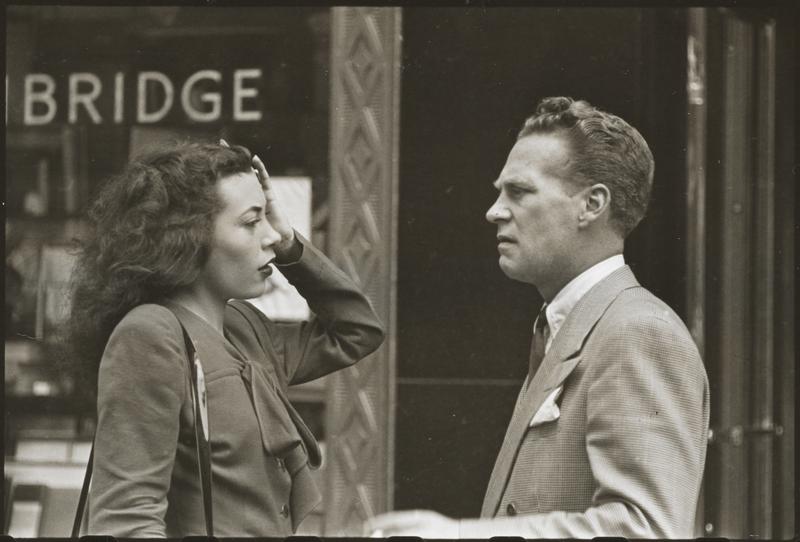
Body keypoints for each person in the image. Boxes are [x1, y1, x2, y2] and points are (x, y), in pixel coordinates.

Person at [366, 97, 709, 538]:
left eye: (519, 192)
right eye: (499, 192)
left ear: (592, 204)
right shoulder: (572, 324)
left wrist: (458, 536)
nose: (494, 211)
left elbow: (646, 529)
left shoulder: (637, 332)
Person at [66, 141, 385, 537]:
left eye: (268, 219)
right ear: (190, 237)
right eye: (251, 222)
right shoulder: (150, 334)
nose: (270, 236)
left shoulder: (245, 327)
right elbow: (127, 520)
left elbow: (359, 330)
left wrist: (291, 245)